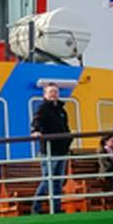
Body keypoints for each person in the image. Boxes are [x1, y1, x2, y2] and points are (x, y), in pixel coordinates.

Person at [30, 82, 73, 213]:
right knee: (48, 179)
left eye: (55, 92)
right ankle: (36, 207)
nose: (54, 94)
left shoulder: (61, 110)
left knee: (57, 181)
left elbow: (65, 127)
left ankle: (56, 208)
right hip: (49, 149)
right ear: (45, 95)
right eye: (51, 92)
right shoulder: (43, 108)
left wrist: (68, 139)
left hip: (61, 149)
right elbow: (37, 120)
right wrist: (36, 130)